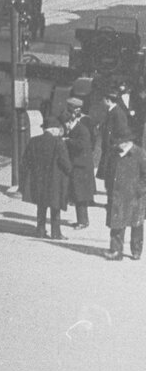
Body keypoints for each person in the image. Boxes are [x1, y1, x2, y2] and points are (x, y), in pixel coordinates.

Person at [24, 111, 70, 240]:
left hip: (39, 180)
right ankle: (56, 233)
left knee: (41, 206)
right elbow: (65, 163)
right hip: (55, 181)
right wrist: (69, 173)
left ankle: (40, 230)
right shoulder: (59, 143)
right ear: (54, 130)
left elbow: (26, 160)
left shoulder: (34, 141)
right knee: (55, 208)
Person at [108, 129, 145, 261]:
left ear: (127, 142)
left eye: (119, 143)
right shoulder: (115, 153)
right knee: (116, 222)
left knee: (136, 224)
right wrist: (109, 187)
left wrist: (140, 190)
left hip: (135, 196)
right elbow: (109, 171)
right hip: (117, 194)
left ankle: (136, 250)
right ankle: (116, 250)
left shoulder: (139, 153)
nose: (117, 145)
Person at [66, 102, 99, 228]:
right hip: (80, 165)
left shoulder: (82, 128)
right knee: (79, 194)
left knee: (80, 194)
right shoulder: (77, 127)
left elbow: (83, 144)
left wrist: (68, 141)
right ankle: (82, 220)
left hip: (81, 165)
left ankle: (83, 221)